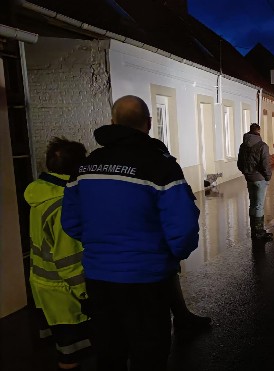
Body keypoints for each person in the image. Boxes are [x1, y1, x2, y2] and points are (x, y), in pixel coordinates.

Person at [61, 95, 200, 371]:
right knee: (149, 354)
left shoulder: (85, 167)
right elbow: (183, 227)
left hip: (99, 280)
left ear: (113, 122)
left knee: (109, 354)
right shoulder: (160, 166)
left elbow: (71, 222)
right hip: (147, 280)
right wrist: (170, 256)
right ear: (149, 124)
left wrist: (102, 247)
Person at [25, 137, 91, 371]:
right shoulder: (65, 204)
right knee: (71, 353)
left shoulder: (39, 193)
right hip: (63, 290)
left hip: (42, 284)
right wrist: (85, 293)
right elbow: (69, 257)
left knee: (60, 345)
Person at [237, 123, 273, 241]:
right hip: (260, 179)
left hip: (249, 178)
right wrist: (267, 176)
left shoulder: (243, 146)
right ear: (258, 131)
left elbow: (239, 163)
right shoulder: (262, 146)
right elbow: (266, 164)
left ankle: (254, 231)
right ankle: (259, 233)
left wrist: (246, 173)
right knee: (259, 206)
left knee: (252, 204)